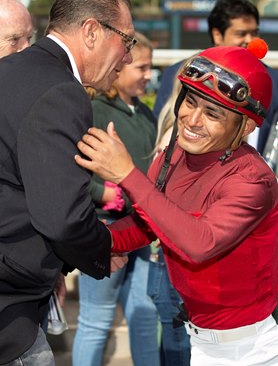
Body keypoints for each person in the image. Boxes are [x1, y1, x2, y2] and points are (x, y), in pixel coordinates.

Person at [75, 39, 278, 365]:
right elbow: (148, 225)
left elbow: (198, 243)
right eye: (191, 101)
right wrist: (95, 242)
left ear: (246, 128)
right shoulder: (174, 155)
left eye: (212, 112)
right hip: (199, 339)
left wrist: (127, 174)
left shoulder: (254, 180)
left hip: (250, 350)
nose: (192, 119)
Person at [0, 0, 134, 364]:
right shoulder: (62, 90)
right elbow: (61, 218)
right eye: (127, 41)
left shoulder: (11, 71)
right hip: (12, 317)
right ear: (92, 31)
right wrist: (101, 250)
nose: (126, 57)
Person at [72, 32, 160, 366]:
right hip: (106, 227)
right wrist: (100, 191)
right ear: (120, 66)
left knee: (144, 315)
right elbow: (73, 167)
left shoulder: (145, 113)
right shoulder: (92, 110)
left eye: (151, 67)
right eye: (141, 66)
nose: (148, 75)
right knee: (96, 318)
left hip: (143, 227)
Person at [153, 0, 278, 155]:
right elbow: (161, 125)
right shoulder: (181, 73)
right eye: (241, 34)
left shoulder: (273, 81)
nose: (251, 40)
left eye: (254, 33)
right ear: (218, 35)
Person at [147, 74, 191, 366]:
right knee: (178, 345)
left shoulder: (175, 130)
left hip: (169, 258)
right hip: (169, 258)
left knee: (175, 341)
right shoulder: (176, 139)